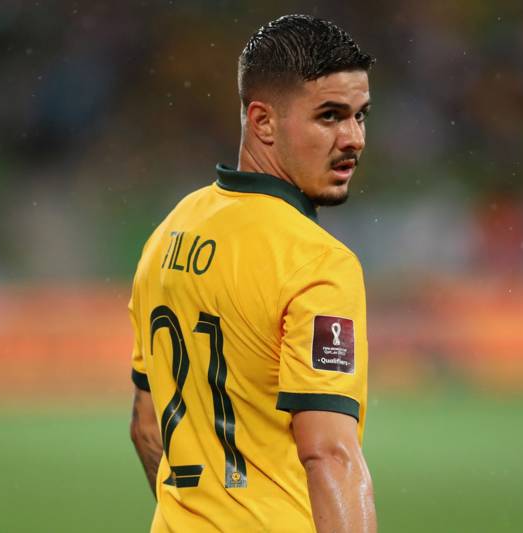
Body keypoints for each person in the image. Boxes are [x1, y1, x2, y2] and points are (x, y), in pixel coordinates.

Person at [129, 14, 376, 533]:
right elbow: (331, 456)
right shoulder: (316, 262)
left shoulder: (169, 233)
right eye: (330, 116)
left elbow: (146, 427)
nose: (354, 138)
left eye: (360, 116)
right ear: (263, 121)